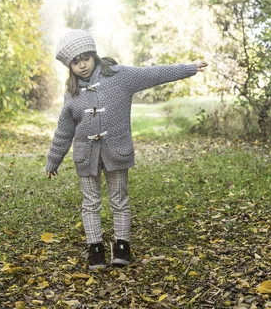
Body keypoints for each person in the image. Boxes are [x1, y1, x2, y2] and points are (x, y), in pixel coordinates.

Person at [45, 29, 208, 270]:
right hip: (85, 157)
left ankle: (122, 246)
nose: (82, 66)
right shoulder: (72, 94)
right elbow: (63, 131)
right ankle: (95, 249)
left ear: (94, 55)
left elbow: (153, 74)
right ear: (69, 66)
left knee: (119, 200)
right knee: (90, 203)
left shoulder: (119, 77)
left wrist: (190, 68)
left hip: (116, 152)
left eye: (86, 59)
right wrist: (53, 160)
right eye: (75, 62)